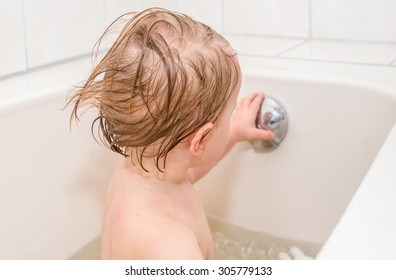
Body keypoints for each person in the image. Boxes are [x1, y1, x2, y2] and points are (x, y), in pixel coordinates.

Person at [67, 7, 274, 259]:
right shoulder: (174, 248)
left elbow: (185, 171)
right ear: (201, 140)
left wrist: (234, 133)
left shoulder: (134, 178)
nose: (233, 120)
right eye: (230, 116)